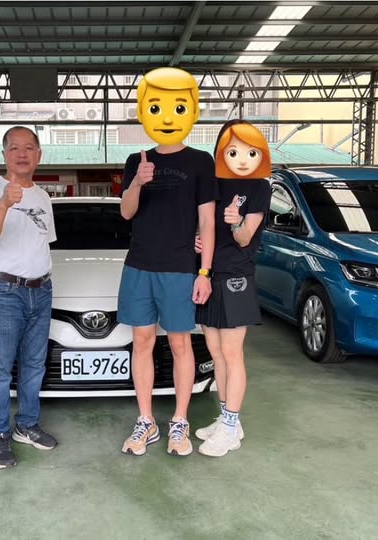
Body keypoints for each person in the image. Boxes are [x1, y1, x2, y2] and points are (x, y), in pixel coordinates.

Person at [119, 67, 218, 457]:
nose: (166, 116)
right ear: (144, 111)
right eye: (156, 107)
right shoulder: (136, 159)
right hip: (139, 266)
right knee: (141, 342)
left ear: (191, 112)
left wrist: (204, 272)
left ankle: (179, 421)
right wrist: (137, 182)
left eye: (177, 107)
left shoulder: (201, 161)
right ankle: (146, 421)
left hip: (180, 268)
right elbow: (126, 212)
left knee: (180, 343)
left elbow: (207, 221)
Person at [0, 126, 58, 469]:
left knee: (35, 364)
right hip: (4, 292)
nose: (22, 154)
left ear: (39, 155)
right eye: (14, 148)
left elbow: (41, 243)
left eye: (29, 148)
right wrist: (5, 204)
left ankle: (27, 425)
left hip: (41, 290)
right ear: (5, 155)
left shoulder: (44, 197)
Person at [194, 120, 272, 457]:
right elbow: (202, 225)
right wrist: (197, 240)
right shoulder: (213, 184)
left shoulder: (259, 187)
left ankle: (230, 426)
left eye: (250, 152)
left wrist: (236, 221)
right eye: (234, 150)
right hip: (207, 274)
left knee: (231, 353)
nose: (242, 158)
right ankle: (228, 420)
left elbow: (243, 237)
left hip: (236, 276)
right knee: (215, 352)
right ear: (221, 152)